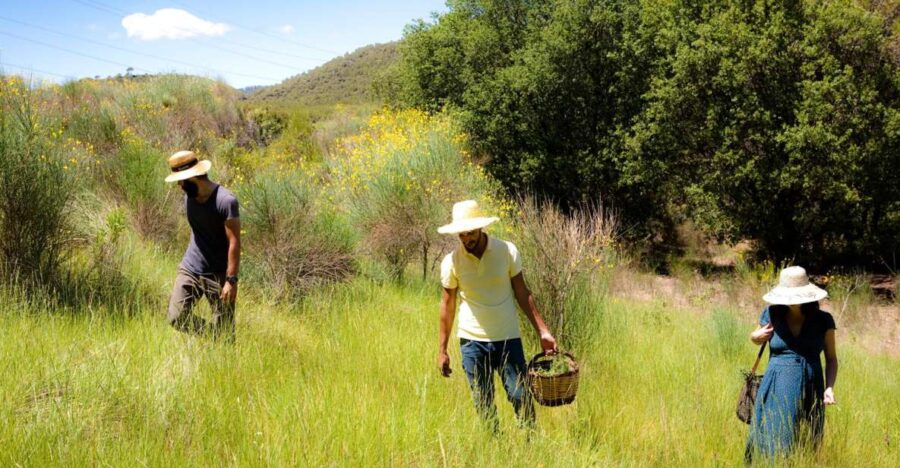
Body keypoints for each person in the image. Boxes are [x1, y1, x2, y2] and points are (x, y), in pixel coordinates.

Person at [437, 199, 557, 428]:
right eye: (461, 235)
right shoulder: (451, 262)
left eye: (470, 233)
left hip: (507, 338)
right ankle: (494, 448)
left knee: (520, 395)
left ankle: (531, 445)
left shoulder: (506, 251)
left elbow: (522, 293)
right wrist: (442, 350)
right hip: (472, 342)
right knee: (483, 402)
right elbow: (447, 304)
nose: (466, 239)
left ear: (481, 228)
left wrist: (543, 331)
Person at [745, 266, 838, 461]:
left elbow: (831, 358)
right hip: (776, 386)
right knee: (771, 438)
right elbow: (756, 337)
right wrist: (755, 337)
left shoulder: (823, 320)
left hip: (811, 386)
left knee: (805, 441)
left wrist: (829, 388)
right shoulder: (771, 314)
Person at [164, 150, 241, 341]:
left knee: (226, 332)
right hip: (191, 267)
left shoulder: (226, 201)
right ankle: (215, 337)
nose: (180, 186)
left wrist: (231, 281)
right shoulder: (189, 197)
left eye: (182, 181)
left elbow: (234, 242)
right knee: (176, 317)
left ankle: (222, 343)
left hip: (219, 274)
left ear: (194, 177)